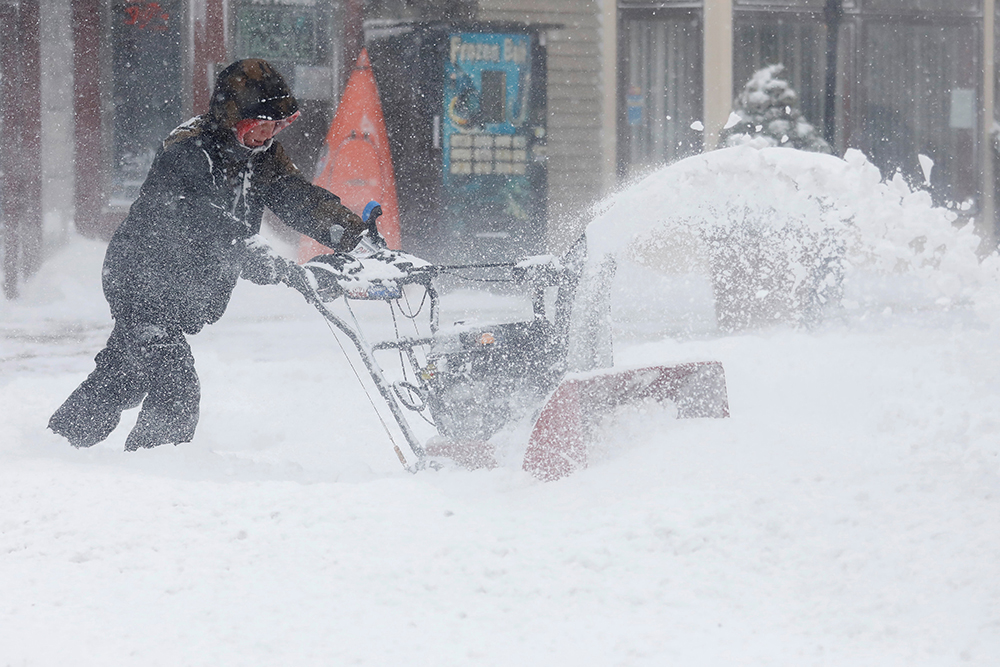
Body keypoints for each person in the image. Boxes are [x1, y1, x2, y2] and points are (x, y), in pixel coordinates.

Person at [49, 59, 376, 451]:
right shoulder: (188, 149)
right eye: (259, 126)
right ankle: (156, 468)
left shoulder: (263, 157)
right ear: (233, 120)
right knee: (176, 385)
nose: (267, 136)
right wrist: (250, 252)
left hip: (185, 288)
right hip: (142, 279)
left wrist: (354, 236)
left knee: (126, 374)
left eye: (275, 127)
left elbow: (296, 197)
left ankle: (60, 442)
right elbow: (195, 217)